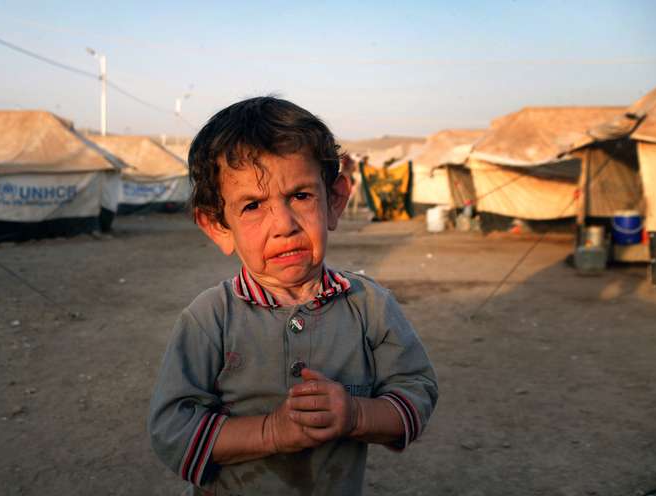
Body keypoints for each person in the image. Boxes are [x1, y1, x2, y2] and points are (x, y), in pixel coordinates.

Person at [148, 96, 438, 495]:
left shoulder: (370, 307)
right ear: (218, 226)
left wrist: (356, 415)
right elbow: (173, 432)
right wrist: (272, 431)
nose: (284, 224)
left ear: (334, 201)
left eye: (301, 196)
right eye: (252, 205)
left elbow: (416, 394)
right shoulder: (209, 319)